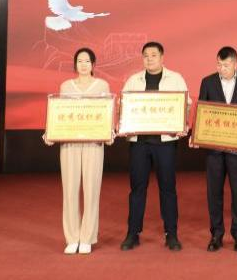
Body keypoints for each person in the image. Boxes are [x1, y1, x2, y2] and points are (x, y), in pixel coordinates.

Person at [119, 41, 190, 252]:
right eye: (146, 56)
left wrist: (182, 124)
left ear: (162, 57)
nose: (149, 59)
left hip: (165, 142)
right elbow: (123, 106)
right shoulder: (133, 80)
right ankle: (133, 233)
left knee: (168, 188)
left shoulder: (175, 79)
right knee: (137, 189)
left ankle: (171, 233)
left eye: (153, 55)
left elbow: (185, 105)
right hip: (139, 143)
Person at [43, 48, 111, 255]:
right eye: (80, 61)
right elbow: (58, 113)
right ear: (75, 64)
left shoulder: (102, 85)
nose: (83, 64)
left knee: (92, 190)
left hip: (93, 142)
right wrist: (50, 132)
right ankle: (72, 237)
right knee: (70, 190)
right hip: (69, 143)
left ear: (93, 64)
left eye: (87, 61)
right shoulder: (66, 86)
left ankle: (87, 237)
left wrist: (108, 132)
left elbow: (107, 112)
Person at [198, 46, 237, 252]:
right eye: (219, 64)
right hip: (214, 149)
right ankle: (216, 234)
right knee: (214, 192)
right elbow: (202, 111)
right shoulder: (207, 82)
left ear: (235, 64)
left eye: (226, 65)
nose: (222, 68)